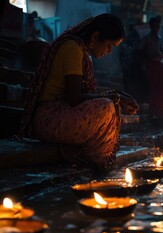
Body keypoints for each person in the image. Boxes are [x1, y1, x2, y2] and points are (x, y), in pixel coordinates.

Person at [18, 13, 139, 171]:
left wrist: (115, 95)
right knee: (107, 107)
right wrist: (113, 96)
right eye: (109, 45)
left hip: (61, 114)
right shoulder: (72, 48)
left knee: (110, 105)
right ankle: (95, 161)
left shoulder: (82, 53)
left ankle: (94, 158)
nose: (109, 51)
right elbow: (74, 98)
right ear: (96, 36)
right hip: (49, 118)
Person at [137, 15, 163, 118]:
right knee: (154, 89)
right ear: (151, 26)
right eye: (155, 26)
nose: (157, 28)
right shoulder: (146, 39)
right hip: (150, 65)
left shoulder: (159, 39)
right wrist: (148, 58)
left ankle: (161, 111)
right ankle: (152, 112)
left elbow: (161, 50)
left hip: (158, 64)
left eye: (158, 26)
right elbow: (139, 51)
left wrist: (161, 53)